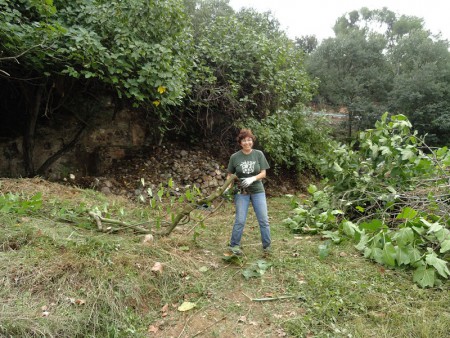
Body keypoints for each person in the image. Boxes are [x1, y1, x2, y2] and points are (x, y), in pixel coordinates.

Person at [226, 128, 271, 256]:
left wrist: (253, 178)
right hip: (241, 191)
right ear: (240, 143)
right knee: (240, 220)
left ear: (252, 141)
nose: (247, 143)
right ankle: (234, 246)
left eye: (249, 140)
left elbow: (263, 173)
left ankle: (267, 247)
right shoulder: (235, 157)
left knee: (263, 220)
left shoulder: (258, 154)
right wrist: (227, 188)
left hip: (257, 190)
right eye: (244, 141)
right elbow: (230, 175)